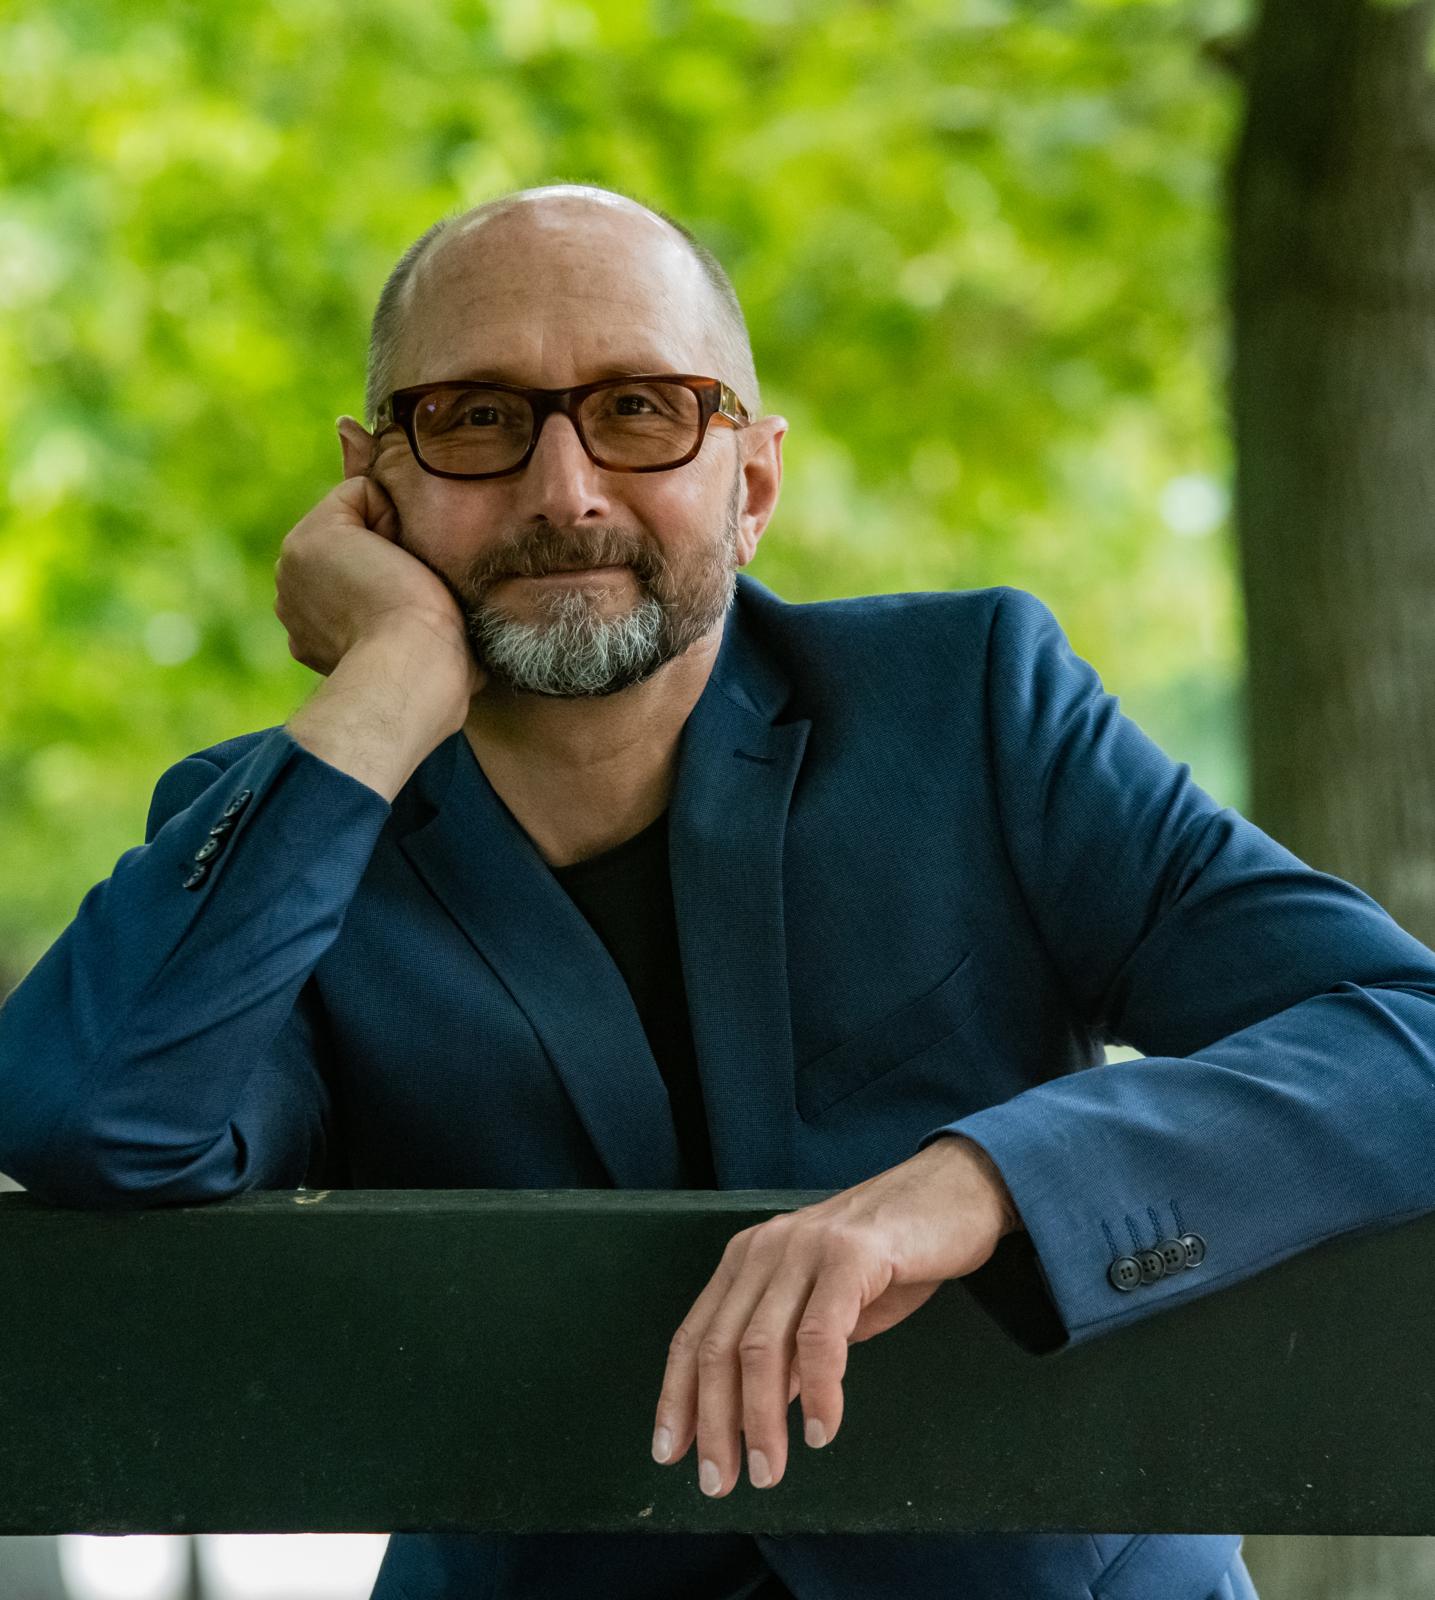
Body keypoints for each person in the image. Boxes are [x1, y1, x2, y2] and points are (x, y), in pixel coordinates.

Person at [7, 181, 1435, 1600]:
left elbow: (1407, 1033)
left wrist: (980, 1181)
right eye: (477, 418)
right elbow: (91, 1121)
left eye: (641, 411)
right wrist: (384, 688)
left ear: (751, 485)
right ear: (372, 484)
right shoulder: (297, 819)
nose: (564, 493)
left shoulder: (975, 707)